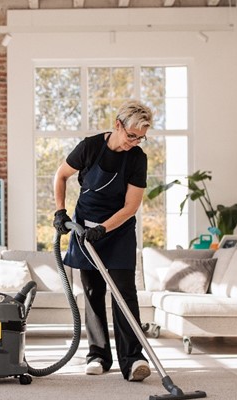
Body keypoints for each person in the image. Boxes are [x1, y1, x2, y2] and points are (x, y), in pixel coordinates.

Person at [52, 100, 153, 382]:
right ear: (118, 125)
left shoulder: (137, 158)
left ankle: (133, 359)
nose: (135, 141)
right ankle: (97, 355)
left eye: (141, 137)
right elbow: (61, 176)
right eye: (132, 135)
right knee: (93, 293)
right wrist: (60, 211)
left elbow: (131, 206)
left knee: (124, 294)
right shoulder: (90, 147)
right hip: (85, 226)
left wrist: (104, 230)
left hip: (117, 229)